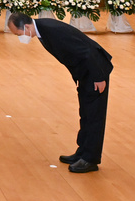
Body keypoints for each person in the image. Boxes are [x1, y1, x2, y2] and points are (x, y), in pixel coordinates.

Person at [6, 11, 112, 173]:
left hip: (95, 71)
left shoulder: (51, 29)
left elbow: (87, 51)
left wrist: (98, 77)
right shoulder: (42, 29)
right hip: (85, 72)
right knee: (85, 113)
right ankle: (82, 152)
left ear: (26, 26)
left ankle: (90, 159)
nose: (19, 37)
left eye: (18, 34)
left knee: (94, 115)